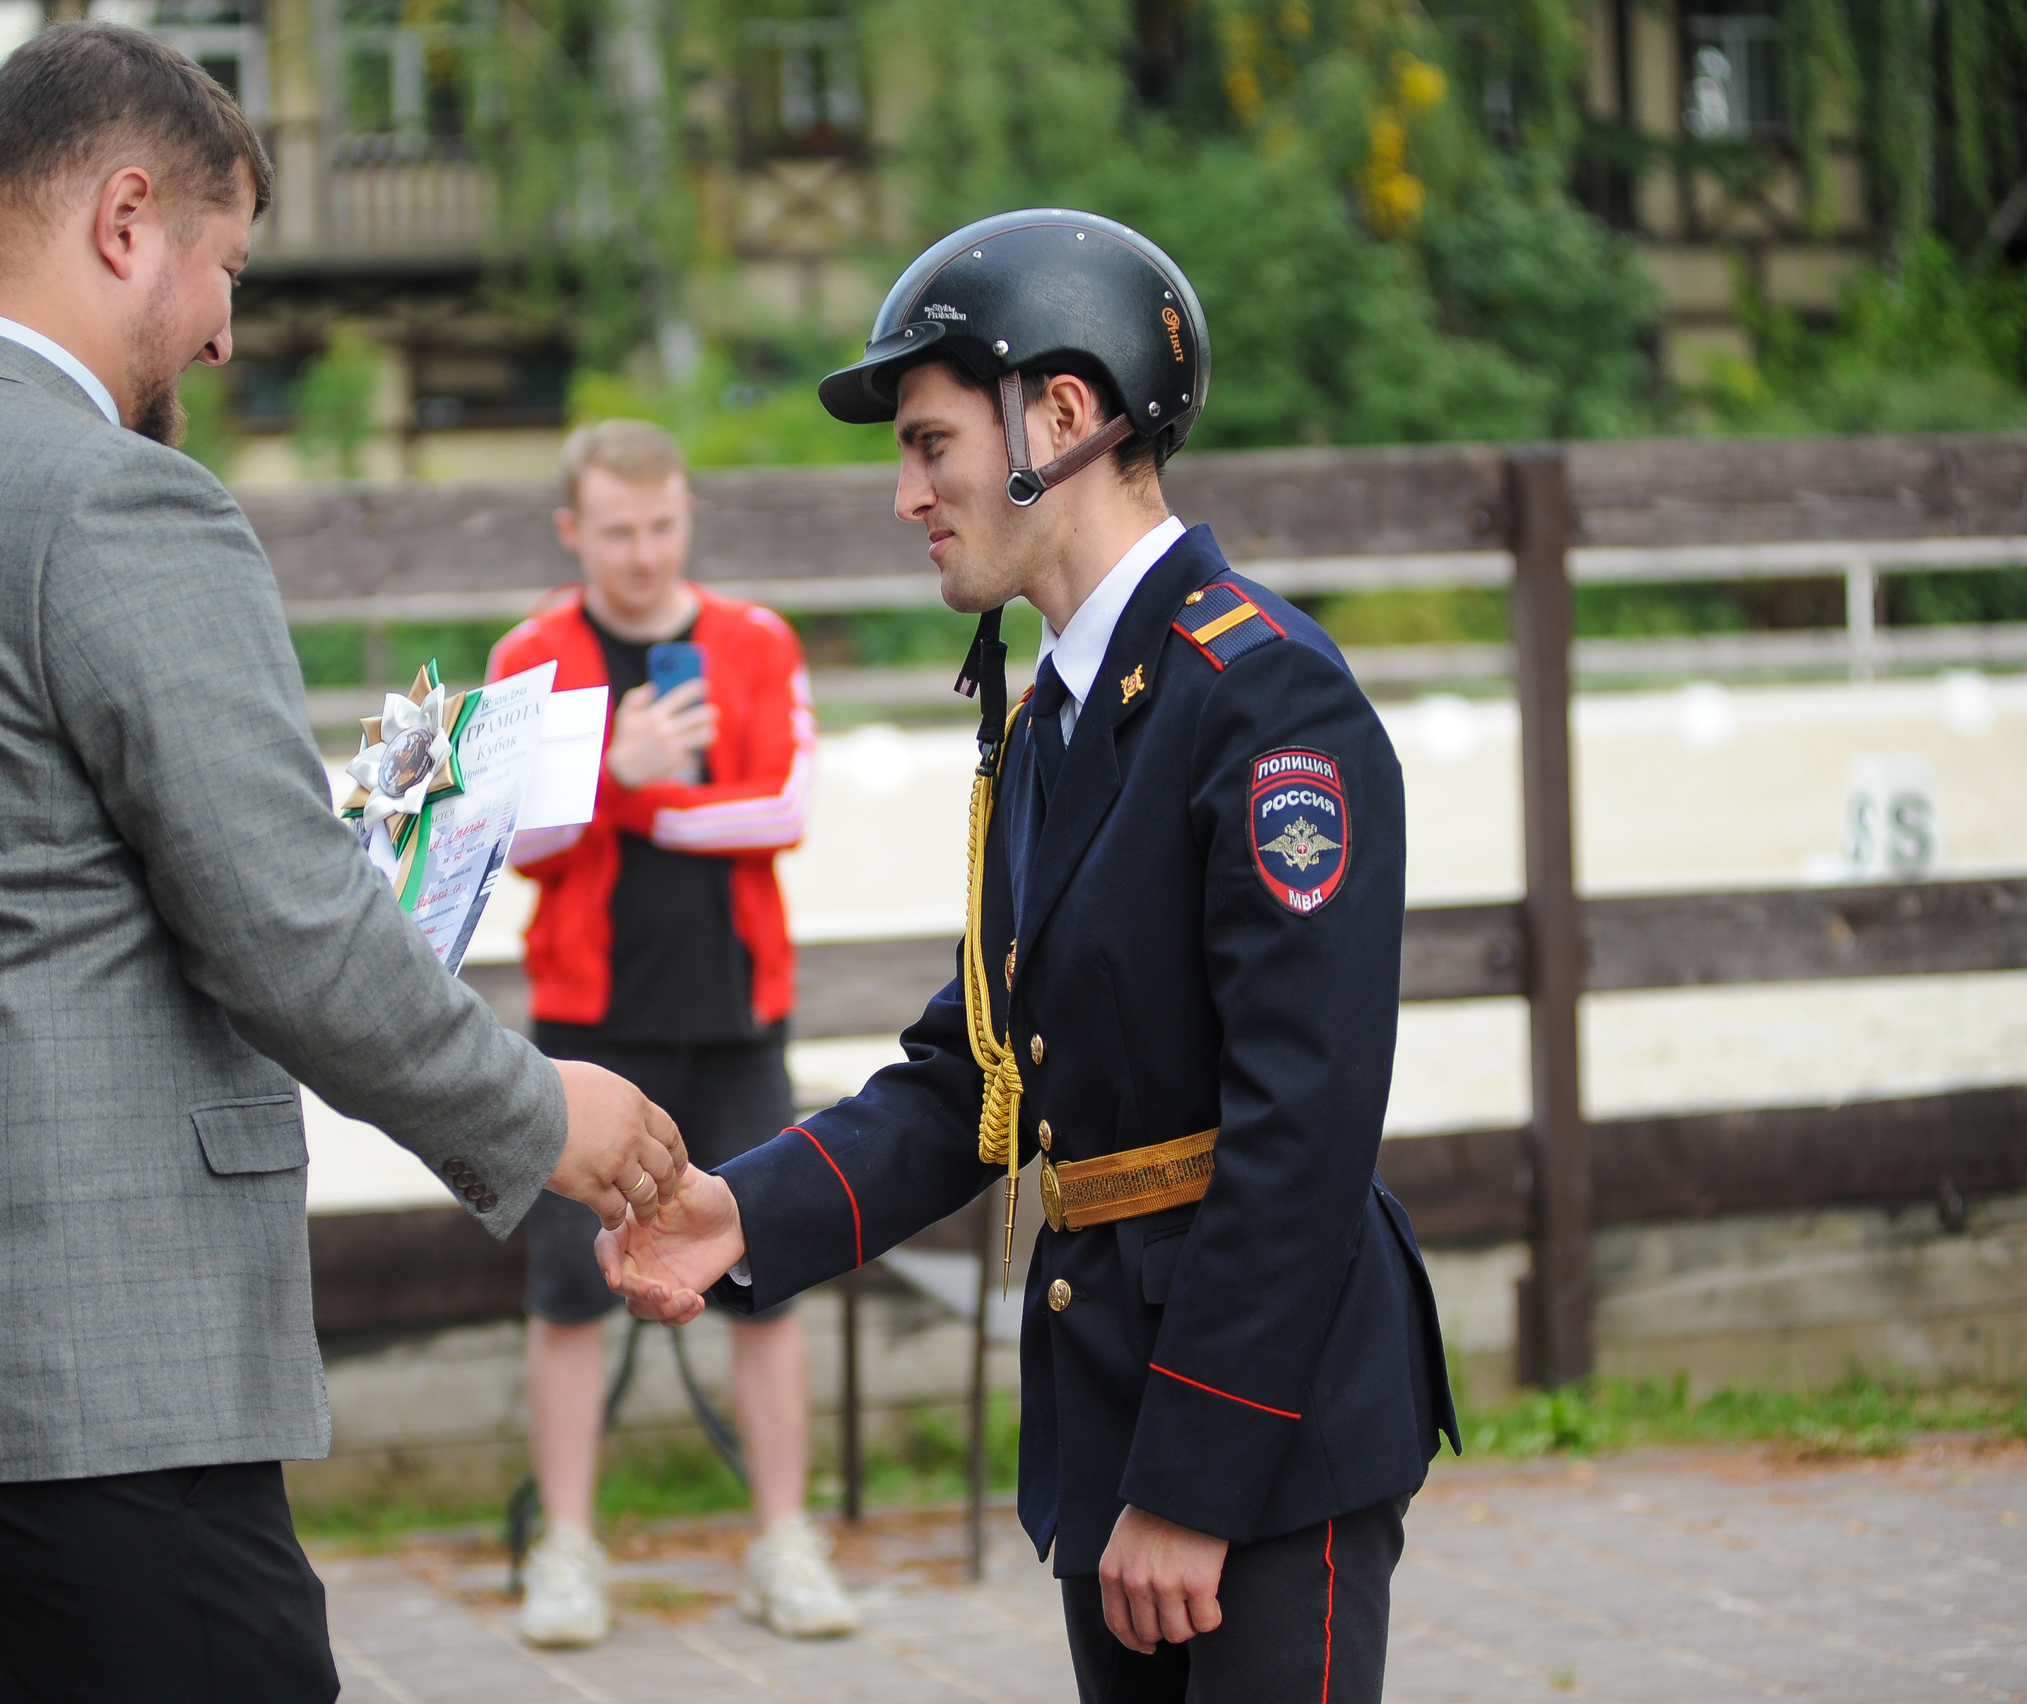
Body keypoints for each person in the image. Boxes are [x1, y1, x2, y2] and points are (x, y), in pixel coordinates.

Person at [0, 24, 685, 1702]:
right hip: (89, 1388)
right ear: (125, 219)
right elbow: (286, 933)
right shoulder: (116, 505)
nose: (226, 328)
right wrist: (537, 1112)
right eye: (225, 265)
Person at [597, 209, 1461, 1704]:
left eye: (929, 444)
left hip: (1260, 1424)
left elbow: (1300, 1132)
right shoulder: (1058, 710)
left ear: (1061, 417)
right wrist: (743, 1215)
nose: (904, 493)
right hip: (1111, 1396)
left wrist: (1194, 1480)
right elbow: (979, 1069)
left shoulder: (1263, 707)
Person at [487, 420, 855, 1646]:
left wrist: (630, 793)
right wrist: (611, 771)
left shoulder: (752, 639)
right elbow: (507, 841)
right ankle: (569, 1553)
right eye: (615, 530)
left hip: (734, 1012)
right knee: (565, 1298)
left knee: (766, 1283)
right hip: (586, 1028)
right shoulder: (531, 658)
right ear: (572, 530)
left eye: (661, 527)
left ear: (684, 520)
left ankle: (783, 1544)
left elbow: (782, 808)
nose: (641, 554)